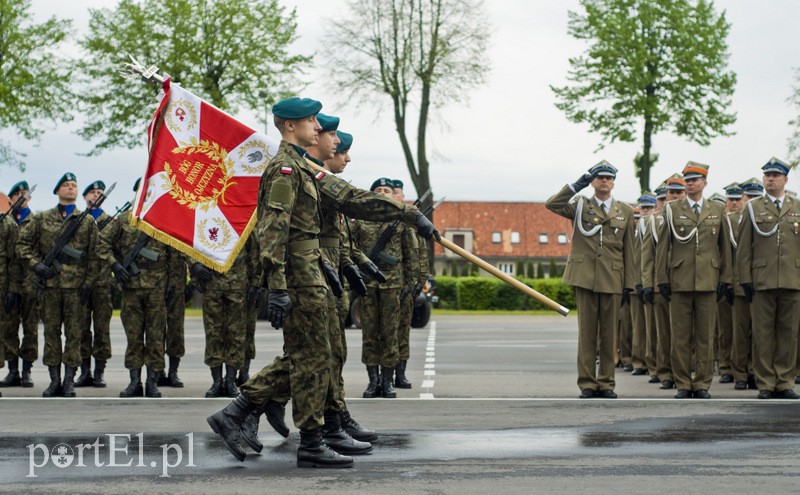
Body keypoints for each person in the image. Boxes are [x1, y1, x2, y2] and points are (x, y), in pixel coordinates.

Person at [205, 97, 438, 468]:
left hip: (313, 273)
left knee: (316, 356)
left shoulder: (302, 168)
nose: (317, 127)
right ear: (290, 126)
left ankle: (251, 414)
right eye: (311, 121)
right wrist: (277, 286)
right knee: (310, 359)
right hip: (300, 277)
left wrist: (409, 215)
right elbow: (272, 232)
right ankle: (309, 440)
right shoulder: (284, 169)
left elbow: (351, 198)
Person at [545, 161, 635, 399]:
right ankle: (587, 382)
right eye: (599, 177)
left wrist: (629, 284)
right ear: (593, 182)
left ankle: (606, 383)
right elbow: (552, 204)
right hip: (585, 277)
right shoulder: (580, 205)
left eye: (608, 177)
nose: (604, 181)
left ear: (613, 182)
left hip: (613, 278)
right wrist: (576, 185)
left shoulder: (624, 211)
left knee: (608, 334)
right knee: (587, 334)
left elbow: (630, 250)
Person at [16, 173, 107, 397]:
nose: (71, 188)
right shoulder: (42, 219)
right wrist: (36, 265)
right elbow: (22, 245)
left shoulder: (85, 220)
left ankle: (69, 381)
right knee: (51, 334)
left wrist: (88, 284)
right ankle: (54, 380)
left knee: (74, 335)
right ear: (57, 191)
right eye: (66, 185)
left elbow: (96, 255)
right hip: (50, 287)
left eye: (74, 185)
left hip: (76, 289)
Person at [655, 162, 732, 399]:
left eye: (695, 180)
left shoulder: (717, 210)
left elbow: (725, 247)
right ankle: (683, 384)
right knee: (680, 337)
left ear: (704, 183)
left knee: (706, 336)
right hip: (679, 279)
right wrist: (662, 278)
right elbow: (663, 247)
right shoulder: (672, 209)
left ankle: (702, 384)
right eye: (687, 180)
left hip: (708, 279)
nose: (690, 184)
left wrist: (726, 278)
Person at [101, 179, 176, 398]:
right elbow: (101, 243)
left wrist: (173, 284)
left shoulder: (163, 219)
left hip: (156, 287)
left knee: (155, 336)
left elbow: (173, 254)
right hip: (131, 287)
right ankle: (134, 382)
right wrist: (115, 264)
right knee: (133, 337)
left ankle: (152, 382)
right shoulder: (124, 220)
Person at [736, 158, 800, 399]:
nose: (770, 179)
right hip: (761, 279)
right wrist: (744, 279)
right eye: (767, 175)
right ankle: (765, 383)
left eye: (775, 175)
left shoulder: (797, 206)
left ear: (785, 179)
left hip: (792, 278)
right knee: (762, 334)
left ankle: (784, 381)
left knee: (788, 333)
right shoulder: (752, 208)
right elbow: (744, 247)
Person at [352, 177, 419, 400]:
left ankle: (388, 381)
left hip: (393, 285)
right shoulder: (360, 219)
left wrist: (409, 285)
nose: (382, 192)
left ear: (394, 196)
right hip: (368, 286)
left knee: (390, 333)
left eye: (387, 190)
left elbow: (411, 255)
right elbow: (349, 248)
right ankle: (373, 381)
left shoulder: (400, 221)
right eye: (377, 189)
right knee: (370, 334)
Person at [190, 240, 252, 398]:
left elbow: (255, 252)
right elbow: (190, 239)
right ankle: (216, 382)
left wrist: (257, 283)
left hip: (238, 283)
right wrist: (194, 264)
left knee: (236, 335)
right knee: (213, 333)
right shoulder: (208, 215)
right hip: (211, 282)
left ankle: (230, 380)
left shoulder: (245, 218)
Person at [642, 175, 686, 390]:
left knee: (683, 333)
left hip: (684, 283)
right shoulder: (654, 220)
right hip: (662, 283)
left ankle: (682, 373)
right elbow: (648, 255)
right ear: (665, 196)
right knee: (663, 333)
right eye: (671, 193)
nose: (675, 196)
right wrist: (648, 283)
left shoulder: (690, 216)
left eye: (679, 192)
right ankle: (665, 372)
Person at [74, 180, 113, 388]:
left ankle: (99, 373)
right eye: (92, 192)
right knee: (81, 328)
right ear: (85, 196)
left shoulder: (111, 222)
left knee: (101, 329)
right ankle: (84, 372)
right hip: (80, 282)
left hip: (103, 283)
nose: (96, 194)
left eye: (99, 192)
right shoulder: (77, 220)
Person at [0, 181, 37, 389]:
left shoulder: (37, 221)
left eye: (24, 194)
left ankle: (27, 372)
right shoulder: (4, 222)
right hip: (8, 286)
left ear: (29, 198)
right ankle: (13, 371)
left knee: (30, 329)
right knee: (9, 328)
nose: (21, 197)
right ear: (11, 200)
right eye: (17, 195)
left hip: (30, 284)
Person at [391, 178, 428, 389]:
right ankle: (381, 376)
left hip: (407, 285)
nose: (396, 196)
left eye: (398, 192)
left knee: (402, 332)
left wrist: (419, 281)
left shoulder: (412, 222)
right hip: (388, 284)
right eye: (392, 193)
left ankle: (400, 373)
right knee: (384, 333)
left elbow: (421, 254)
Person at [715, 184, 744, 385]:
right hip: (724, 281)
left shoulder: (748, 220)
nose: (734, 203)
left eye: (738, 199)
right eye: (731, 199)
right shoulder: (721, 220)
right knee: (725, 329)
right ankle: (725, 367)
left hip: (744, 282)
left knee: (744, 330)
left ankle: (745, 368)